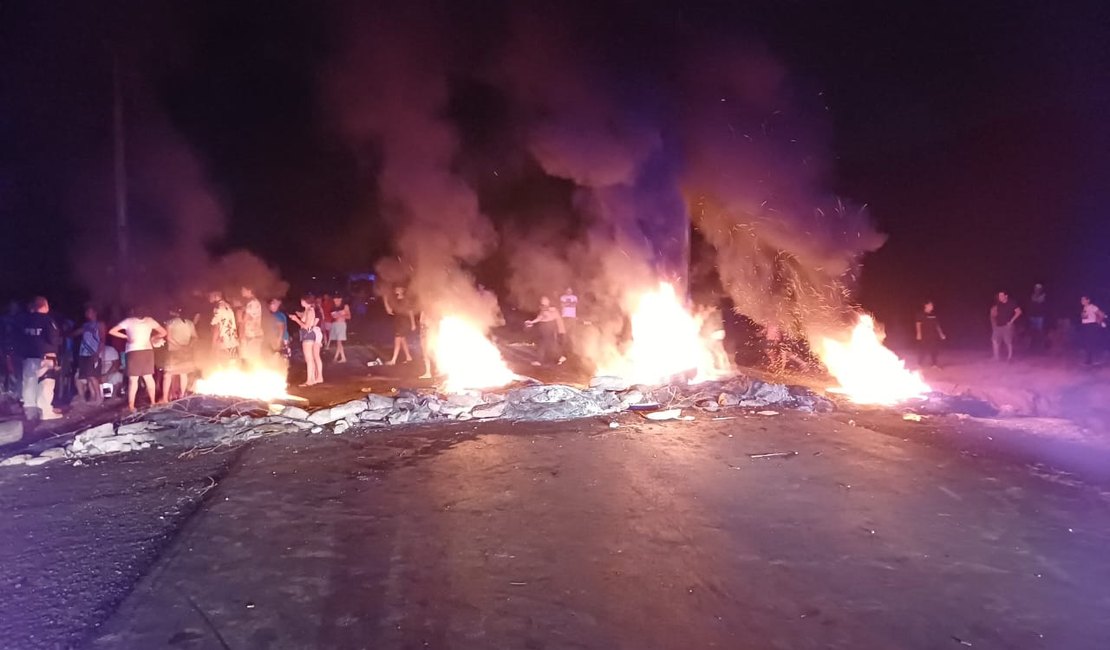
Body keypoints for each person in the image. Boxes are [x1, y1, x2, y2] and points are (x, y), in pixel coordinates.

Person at [109, 308, 167, 412]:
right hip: (147, 351)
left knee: (133, 380)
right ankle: (153, 402)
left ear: (133, 312)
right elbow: (163, 332)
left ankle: (131, 406)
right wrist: (153, 337)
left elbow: (112, 331)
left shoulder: (128, 321)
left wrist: (126, 336)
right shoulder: (150, 320)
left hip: (133, 351)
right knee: (148, 377)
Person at [17, 297, 61, 420]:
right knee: (46, 383)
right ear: (44, 306)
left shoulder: (25, 320)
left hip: (28, 357)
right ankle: (45, 411)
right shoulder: (48, 321)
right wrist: (53, 356)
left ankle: (30, 412)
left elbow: (21, 339)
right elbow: (53, 339)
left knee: (29, 384)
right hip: (45, 357)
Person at [72, 306, 107, 405]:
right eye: (86, 312)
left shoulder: (100, 324)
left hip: (93, 353)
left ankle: (99, 397)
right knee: (87, 376)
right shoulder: (85, 325)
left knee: (92, 376)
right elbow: (75, 333)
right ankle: (93, 397)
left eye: (89, 311)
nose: (87, 313)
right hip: (83, 353)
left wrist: (97, 353)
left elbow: (102, 339)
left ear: (95, 312)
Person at [163, 308, 198, 401]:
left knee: (168, 374)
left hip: (174, 352)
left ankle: (165, 398)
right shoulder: (190, 323)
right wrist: (188, 346)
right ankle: (182, 396)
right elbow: (195, 337)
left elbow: (168, 337)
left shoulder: (170, 322)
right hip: (186, 351)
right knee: (183, 373)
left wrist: (179, 346)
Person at [290, 296, 323, 386]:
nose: (301, 301)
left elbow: (307, 326)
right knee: (310, 358)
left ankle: (310, 380)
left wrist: (296, 320)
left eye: (302, 300)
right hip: (307, 335)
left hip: (307, 335)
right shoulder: (307, 310)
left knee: (309, 358)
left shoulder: (310, 311)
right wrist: (297, 316)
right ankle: (311, 379)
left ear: (305, 301)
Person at [524, 296, 564, 366]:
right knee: (550, 343)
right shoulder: (545, 309)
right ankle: (559, 357)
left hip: (547, 327)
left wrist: (561, 329)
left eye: (544, 300)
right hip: (547, 327)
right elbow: (540, 318)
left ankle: (540, 360)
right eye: (542, 300)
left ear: (548, 301)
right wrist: (532, 322)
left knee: (544, 343)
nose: (542, 301)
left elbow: (556, 318)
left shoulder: (551, 309)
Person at [382, 286, 415, 365]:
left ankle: (393, 360)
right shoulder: (396, 301)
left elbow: (410, 312)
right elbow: (389, 311)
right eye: (396, 288)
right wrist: (385, 300)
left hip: (404, 322)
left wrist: (413, 323)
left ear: (402, 290)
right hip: (398, 322)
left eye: (398, 288)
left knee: (397, 340)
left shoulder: (406, 300)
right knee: (402, 340)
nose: (396, 289)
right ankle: (408, 357)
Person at [989, 291, 1021, 361]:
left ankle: (1010, 357)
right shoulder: (998, 304)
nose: (1000, 297)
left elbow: (1019, 312)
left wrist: (1011, 321)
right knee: (994, 340)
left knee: (1008, 342)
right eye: (999, 296)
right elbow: (994, 314)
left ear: (1006, 296)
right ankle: (996, 357)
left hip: (1007, 325)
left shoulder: (1011, 303)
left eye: (1001, 296)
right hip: (998, 325)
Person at [915, 301, 947, 368]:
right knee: (922, 349)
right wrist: (919, 334)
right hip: (924, 335)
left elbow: (937, 325)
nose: (932, 307)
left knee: (934, 349)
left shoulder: (933, 315)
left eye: (932, 305)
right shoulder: (920, 314)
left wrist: (941, 334)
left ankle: (934, 364)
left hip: (933, 335)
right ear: (926, 306)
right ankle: (919, 363)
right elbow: (918, 324)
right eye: (930, 305)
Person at [209, 291, 239, 363]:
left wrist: (213, 346)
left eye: (210, 295)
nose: (209, 298)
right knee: (233, 366)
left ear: (215, 296)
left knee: (222, 368)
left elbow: (217, 327)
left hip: (223, 343)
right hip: (233, 342)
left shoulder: (217, 308)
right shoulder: (229, 306)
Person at [239, 287, 264, 365]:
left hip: (252, 336)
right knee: (252, 361)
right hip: (253, 336)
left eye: (243, 289)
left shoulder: (252, 303)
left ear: (249, 290)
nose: (241, 291)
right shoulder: (252, 303)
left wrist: (239, 314)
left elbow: (244, 320)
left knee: (251, 362)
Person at [1078, 295, 1106, 366]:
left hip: (1091, 326)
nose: (1082, 301)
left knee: (1090, 343)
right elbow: (1085, 317)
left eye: (1084, 300)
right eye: (1081, 300)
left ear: (1088, 300)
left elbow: (1101, 314)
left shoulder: (1092, 307)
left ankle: (1090, 360)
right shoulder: (1085, 308)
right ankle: (1089, 359)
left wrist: (1099, 322)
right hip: (1086, 326)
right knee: (1086, 342)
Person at [0, 301, 19, 394]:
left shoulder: (19, 320)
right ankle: (2, 390)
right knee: (3, 370)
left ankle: (12, 391)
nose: (13, 308)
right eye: (12, 306)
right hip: (3, 347)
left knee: (13, 370)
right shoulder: (3, 319)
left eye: (15, 306)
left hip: (15, 348)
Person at [330, 296, 351, 363]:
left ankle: (343, 357)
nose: (336, 302)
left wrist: (341, 315)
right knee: (338, 342)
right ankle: (336, 357)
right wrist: (335, 316)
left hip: (341, 324)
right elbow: (333, 316)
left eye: (337, 300)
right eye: (335, 301)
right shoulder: (334, 307)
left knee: (339, 341)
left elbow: (349, 316)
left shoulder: (345, 306)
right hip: (335, 324)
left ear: (341, 299)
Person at [1028, 283, 1048, 352]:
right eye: (1036, 288)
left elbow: (1040, 301)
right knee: (1033, 331)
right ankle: (1033, 345)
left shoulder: (1043, 295)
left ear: (1041, 289)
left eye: (1038, 288)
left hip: (1040, 316)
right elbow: (1032, 303)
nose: (1037, 289)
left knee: (1040, 331)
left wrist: (1037, 299)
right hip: (1033, 315)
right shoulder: (1032, 295)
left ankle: (1041, 345)